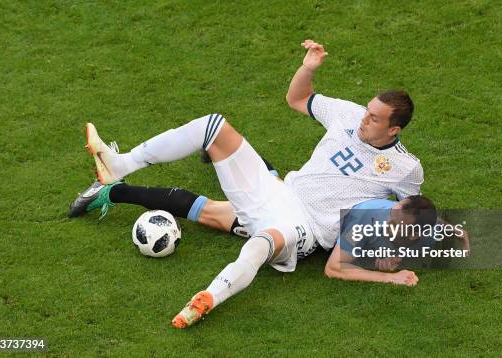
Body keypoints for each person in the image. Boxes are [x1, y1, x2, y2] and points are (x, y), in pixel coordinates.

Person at [79, 39, 424, 328]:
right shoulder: (347, 114)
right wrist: (308, 67)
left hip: (307, 229)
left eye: (374, 118)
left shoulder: (405, 167)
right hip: (279, 192)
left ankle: (208, 298)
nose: (364, 119)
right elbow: (298, 99)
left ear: (394, 129)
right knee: (212, 126)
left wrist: (390, 256)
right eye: (367, 110)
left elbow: (410, 216)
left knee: (262, 240)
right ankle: (119, 165)